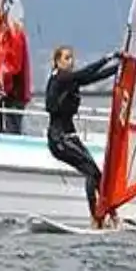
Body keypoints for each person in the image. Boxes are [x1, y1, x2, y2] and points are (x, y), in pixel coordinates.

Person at [43, 45, 120, 226]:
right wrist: (107, 58)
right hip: (59, 139)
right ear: (57, 62)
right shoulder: (60, 78)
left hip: (70, 137)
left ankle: (112, 216)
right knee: (91, 173)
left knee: (98, 175)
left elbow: (92, 77)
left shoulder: (69, 80)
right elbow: (84, 73)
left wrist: (119, 68)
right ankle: (95, 218)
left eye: (71, 58)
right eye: (66, 58)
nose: (70, 62)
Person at [0, 10, 32, 135]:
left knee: (11, 130)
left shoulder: (14, 34)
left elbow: (14, 66)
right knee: (3, 128)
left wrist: (0, 79)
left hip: (14, 93)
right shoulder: (9, 34)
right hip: (9, 92)